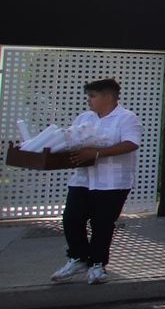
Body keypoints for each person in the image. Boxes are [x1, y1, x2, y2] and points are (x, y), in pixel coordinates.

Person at [50, 78, 141, 285]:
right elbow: (72, 139)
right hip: (83, 178)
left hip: (112, 181)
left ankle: (98, 264)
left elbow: (131, 143)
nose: (89, 101)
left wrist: (98, 152)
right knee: (72, 218)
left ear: (108, 96)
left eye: (93, 96)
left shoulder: (126, 118)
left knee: (102, 223)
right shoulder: (85, 117)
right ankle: (78, 257)